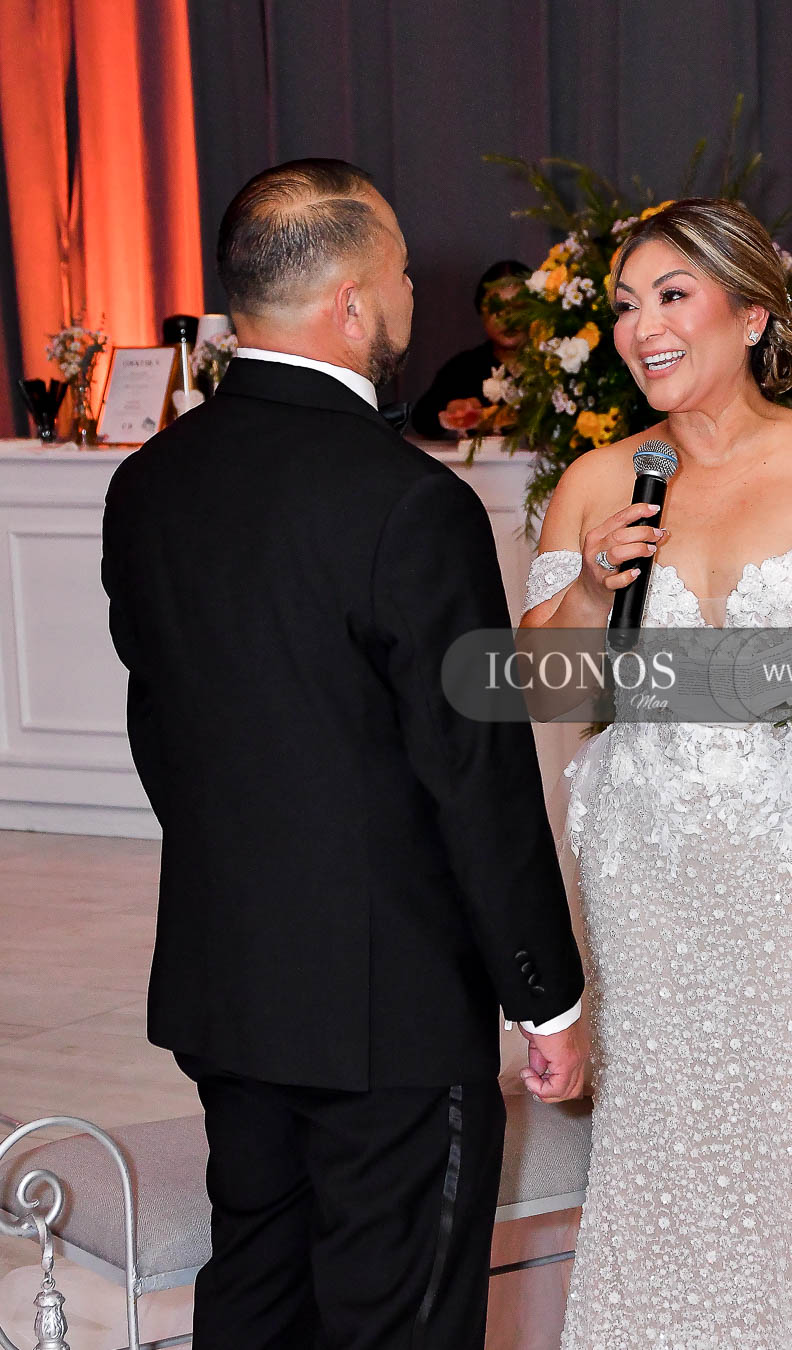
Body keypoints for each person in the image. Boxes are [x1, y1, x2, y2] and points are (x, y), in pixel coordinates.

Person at [101, 158, 586, 1350]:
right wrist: (547, 994)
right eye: (405, 272)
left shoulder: (150, 482)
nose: (416, 294)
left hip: (229, 982)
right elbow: (475, 776)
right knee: (399, 1320)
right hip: (393, 1011)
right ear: (355, 302)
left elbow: (164, 734)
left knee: (257, 1294)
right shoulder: (411, 503)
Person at [521, 197, 792, 1349]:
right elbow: (543, 693)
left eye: (672, 295)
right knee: (668, 1145)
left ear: (752, 316)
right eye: (624, 305)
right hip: (651, 876)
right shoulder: (599, 484)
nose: (641, 327)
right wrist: (593, 589)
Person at [410, 259, 528, 437]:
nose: (509, 318)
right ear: (481, 312)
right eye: (497, 308)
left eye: (519, 307)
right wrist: (451, 411)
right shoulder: (464, 368)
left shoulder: (555, 366)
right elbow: (422, 419)